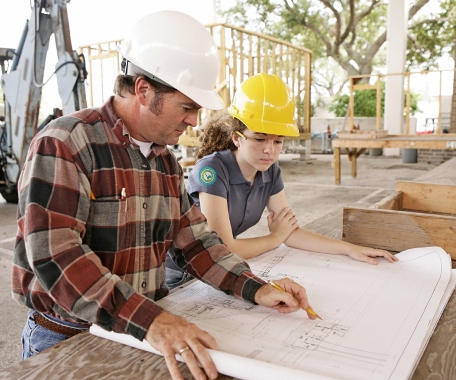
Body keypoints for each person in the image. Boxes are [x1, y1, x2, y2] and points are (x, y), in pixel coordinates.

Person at [11, 12, 317, 380]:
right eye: (187, 107)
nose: (194, 121)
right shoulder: (66, 144)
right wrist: (153, 322)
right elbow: (56, 256)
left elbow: (196, 243)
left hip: (139, 334)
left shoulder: (165, 164)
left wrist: (255, 288)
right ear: (143, 90)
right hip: (69, 338)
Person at [165, 73, 397, 290]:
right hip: (180, 274)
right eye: (259, 138)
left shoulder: (269, 171)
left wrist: (350, 249)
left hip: (216, 270)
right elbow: (223, 247)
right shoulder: (212, 169)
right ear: (236, 138)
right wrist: (275, 238)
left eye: (278, 141)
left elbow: (291, 231)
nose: (269, 150)